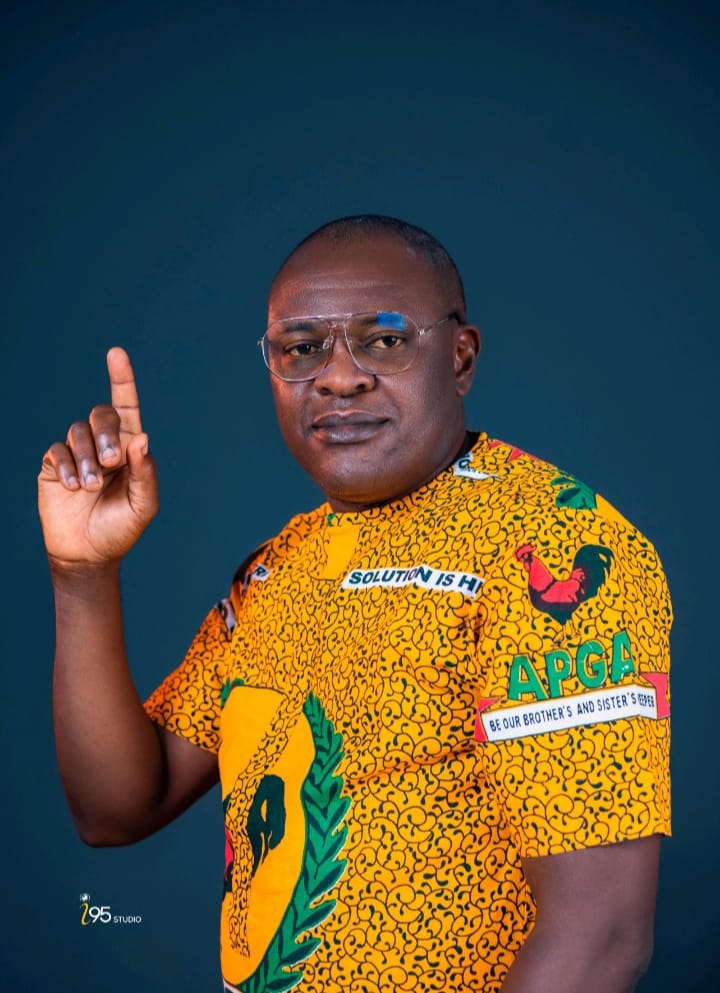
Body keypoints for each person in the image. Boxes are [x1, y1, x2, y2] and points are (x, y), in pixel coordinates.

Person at [38, 215, 671, 993]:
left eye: (386, 339)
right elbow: (116, 807)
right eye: (301, 348)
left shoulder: (552, 547)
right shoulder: (279, 568)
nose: (339, 377)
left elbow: (600, 935)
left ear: (461, 357)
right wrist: (81, 574)